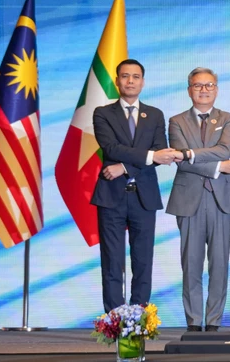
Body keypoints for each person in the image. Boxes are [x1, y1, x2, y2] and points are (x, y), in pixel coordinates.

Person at [166, 67, 230, 332]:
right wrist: (218, 166)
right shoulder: (176, 120)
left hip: (222, 199)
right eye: (198, 85)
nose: (204, 90)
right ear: (189, 89)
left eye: (209, 85)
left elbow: (224, 149)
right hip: (188, 198)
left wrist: (190, 154)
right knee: (190, 264)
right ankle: (193, 321)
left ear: (216, 89)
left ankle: (214, 321)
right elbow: (179, 158)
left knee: (219, 262)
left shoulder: (227, 118)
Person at [91, 58, 182, 312]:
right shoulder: (102, 113)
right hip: (111, 196)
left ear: (143, 81)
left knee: (143, 261)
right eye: (125, 76)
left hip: (144, 196)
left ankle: (139, 319)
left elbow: (159, 152)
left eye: (135, 76)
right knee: (112, 260)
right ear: (117, 81)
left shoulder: (154, 114)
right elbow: (111, 147)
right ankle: (114, 320)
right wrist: (149, 157)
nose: (130, 81)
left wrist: (124, 167)